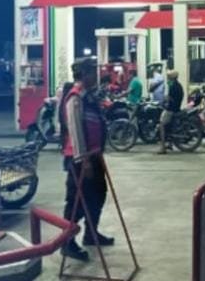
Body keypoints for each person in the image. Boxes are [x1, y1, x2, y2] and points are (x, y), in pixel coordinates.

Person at [61, 58, 114, 262]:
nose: (96, 75)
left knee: (98, 195)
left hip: (94, 156)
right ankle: (67, 242)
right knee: (76, 202)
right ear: (83, 74)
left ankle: (91, 233)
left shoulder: (88, 96)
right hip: (80, 160)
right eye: (92, 72)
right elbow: (75, 131)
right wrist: (84, 161)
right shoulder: (75, 98)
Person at [158, 70, 184, 154]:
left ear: (172, 77)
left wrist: (163, 102)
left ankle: (163, 148)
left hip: (171, 109)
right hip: (176, 108)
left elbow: (169, 98)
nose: (168, 78)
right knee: (169, 126)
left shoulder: (173, 86)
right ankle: (170, 144)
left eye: (169, 77)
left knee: (161, 125)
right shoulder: (179, 85)